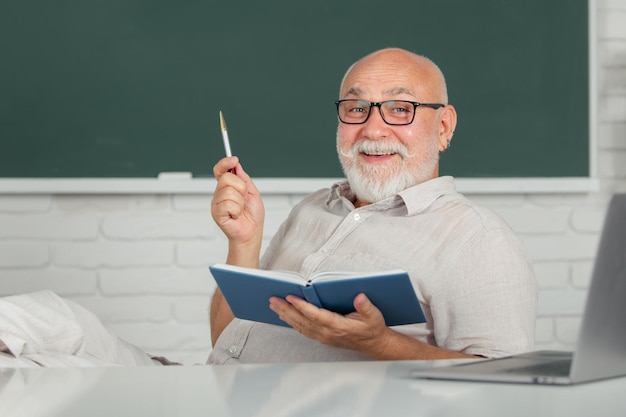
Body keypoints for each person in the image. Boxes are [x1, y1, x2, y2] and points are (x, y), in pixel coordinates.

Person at [208, 47, 537, 364]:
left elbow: (505, 382)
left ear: (444, 126)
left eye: (399, 108)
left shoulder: (478, 239)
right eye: (356, 108)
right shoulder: (311, 209)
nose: (373, 129)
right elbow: (226, 341)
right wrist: (244, 243)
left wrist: (380, 343)